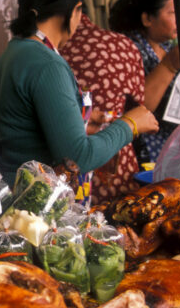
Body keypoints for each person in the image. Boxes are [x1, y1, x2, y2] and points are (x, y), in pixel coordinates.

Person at [0, 0, 158, 187]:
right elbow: (77, 157)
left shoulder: (15, 51)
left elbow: (24, 128)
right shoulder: (47, 64)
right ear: (74, 10)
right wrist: (129, 124)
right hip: (33, 203)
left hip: (14, 190)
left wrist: (79, 123)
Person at [62, 12, 146, 202]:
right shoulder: (123, 46)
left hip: (60, 166)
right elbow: (141, 103)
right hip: (114, 157)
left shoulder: (44, 55)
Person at [109, 0, 180, 164]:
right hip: (144, 150)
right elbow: (141, 105)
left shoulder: (167, 47)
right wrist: (169, 66)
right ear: (147, 19)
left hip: (172, 145)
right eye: (173, 13)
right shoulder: (129, 49)